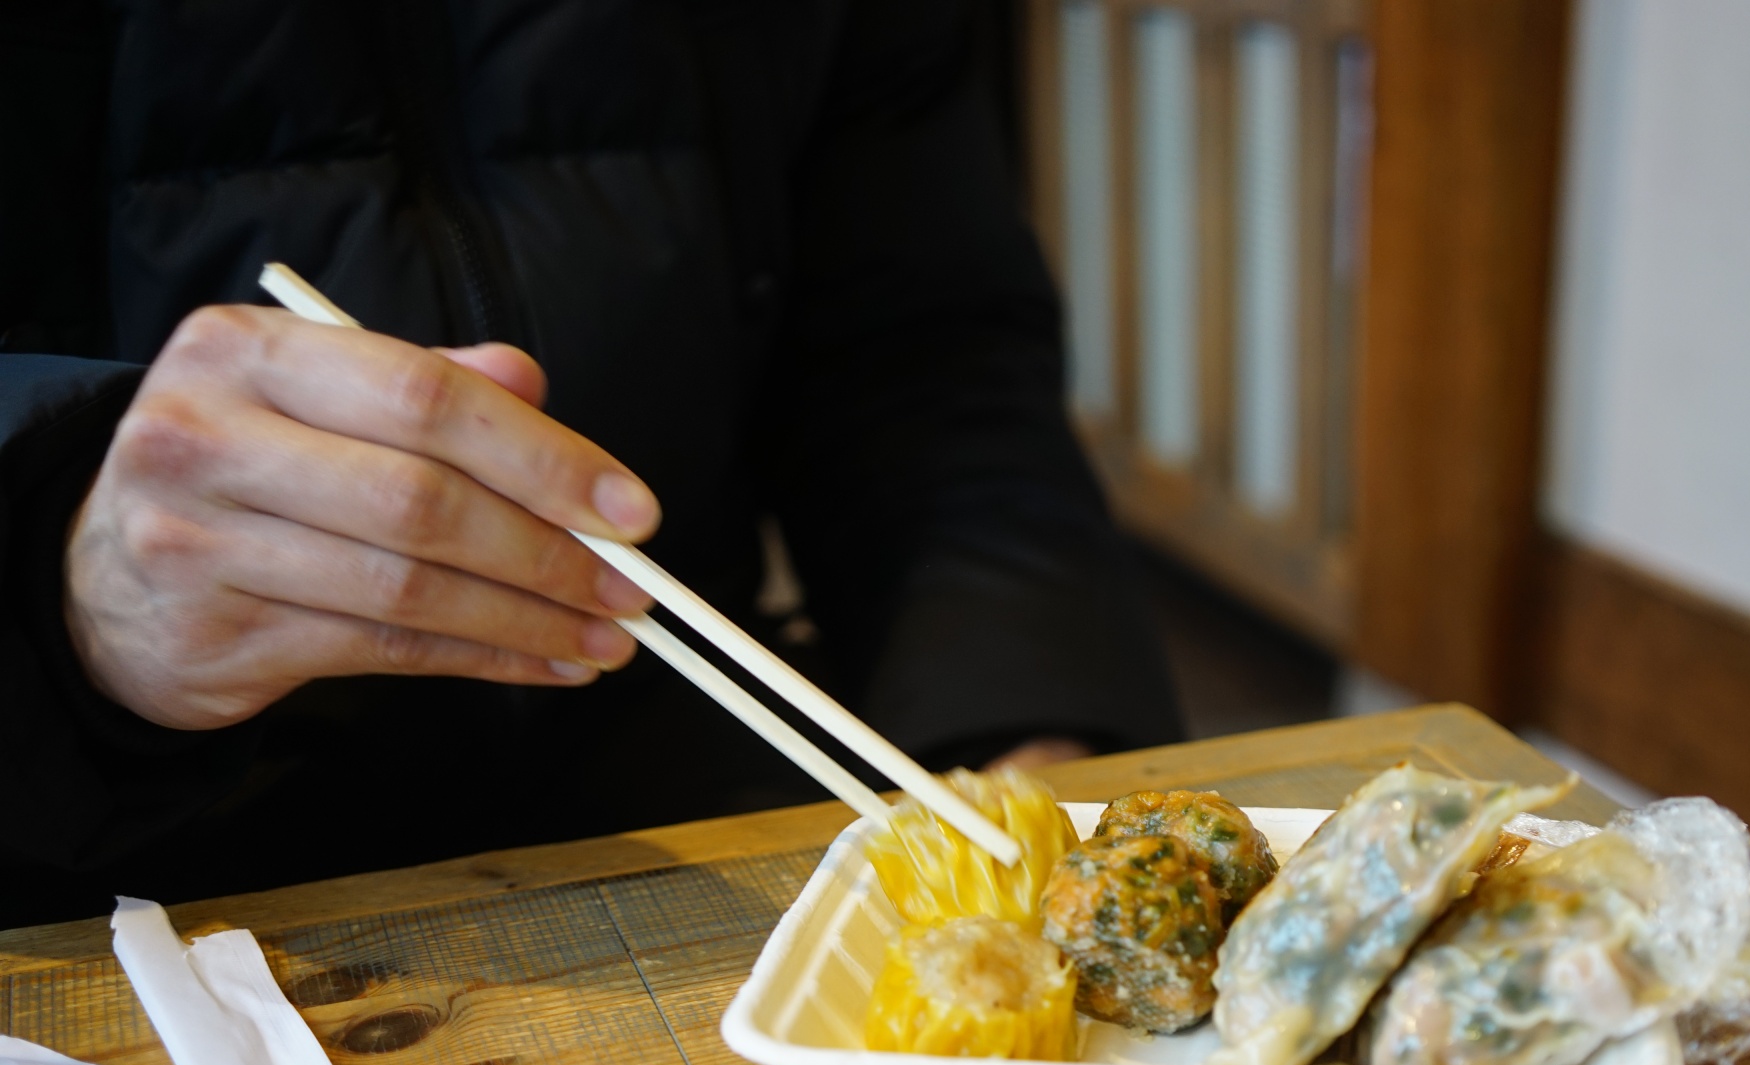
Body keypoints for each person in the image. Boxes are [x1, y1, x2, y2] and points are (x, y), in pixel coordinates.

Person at [0, 1, 1181, 929]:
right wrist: (69, 586)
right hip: (113, 901)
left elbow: (920, 348)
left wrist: (1021, 719)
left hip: (690, 818)